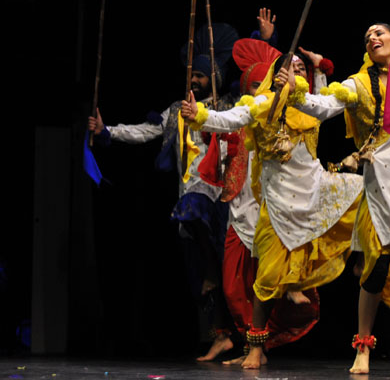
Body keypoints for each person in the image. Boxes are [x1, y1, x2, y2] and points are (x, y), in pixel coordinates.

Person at [279, 23, 390, 374]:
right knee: (377, 267)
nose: (372, 38)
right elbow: (325, 106)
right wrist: (298, 92)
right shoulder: (357, 83)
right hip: (380, 181)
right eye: (366, 37)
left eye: (380, 33)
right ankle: (362, 347)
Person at [182, 41, 364, 369]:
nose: (294, 72)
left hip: (310, 195)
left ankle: (359, 260)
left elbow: (332, 103)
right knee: (264, 280)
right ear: (274, 75)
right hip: (276, 204)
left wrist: (321, 67)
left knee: (366, 191)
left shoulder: (310, 104)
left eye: (299, 68)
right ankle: (255, 347)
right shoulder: (263, 103)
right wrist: (200, 116)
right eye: (287, 67)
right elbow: (234, 117)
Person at [87, 24, 239, 360]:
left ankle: (237, 332)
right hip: (193, 188)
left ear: (214, 75)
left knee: (228, 272)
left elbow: (260, 88)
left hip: (228, 195)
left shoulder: (231, 104)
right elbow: (144, 131)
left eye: (202, 75)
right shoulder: (176, 111)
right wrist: (107, 130)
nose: (195, 81)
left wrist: (265, 41)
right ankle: (218, 333)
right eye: (192, 76)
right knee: (198, 265)